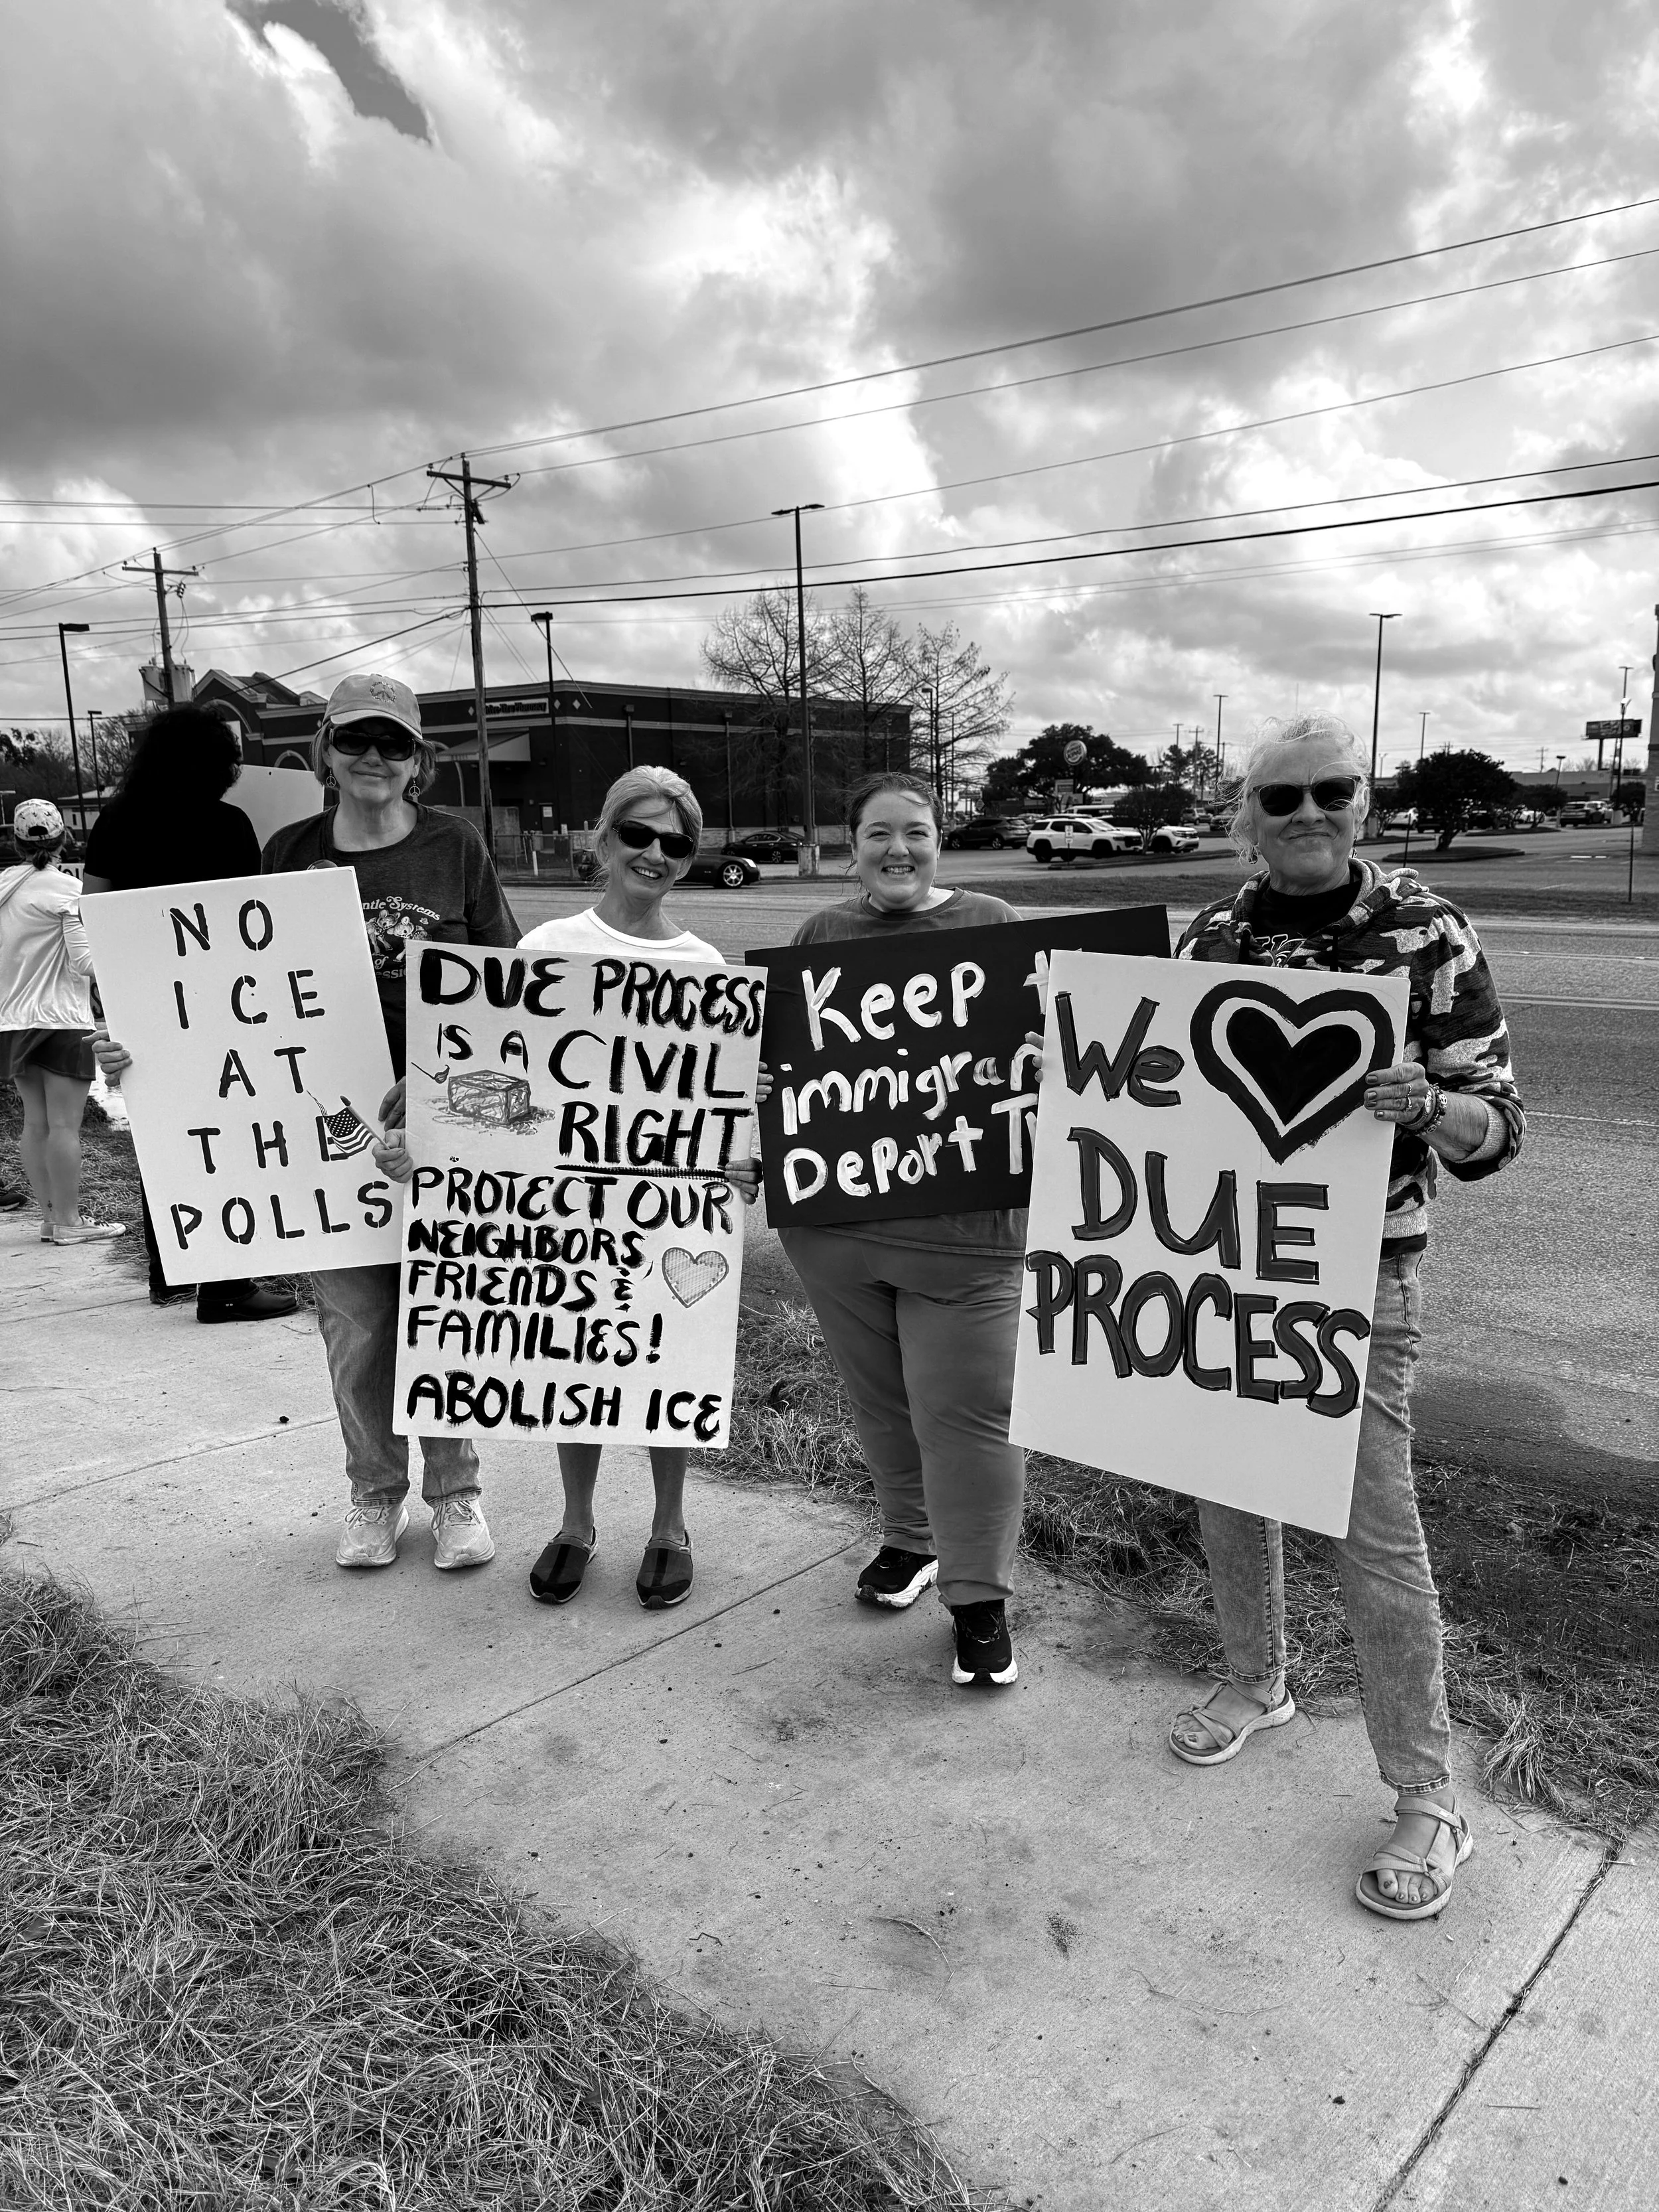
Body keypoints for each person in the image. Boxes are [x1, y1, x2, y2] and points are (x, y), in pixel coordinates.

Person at [1166, 711, 1525, 1923]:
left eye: (1332, 789)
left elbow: (1498, 1128)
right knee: (1226, 1479)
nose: (1308, 811)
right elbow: (1155, 1088)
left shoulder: (1427, 928)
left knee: (1372, 1524)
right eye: (1281, 796)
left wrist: (1427, 1107)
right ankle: (1257, 1678)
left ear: (1362, 804)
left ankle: (1428, 1795)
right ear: (1248, 815)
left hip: (1365, 1268)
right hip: (1224, 1256)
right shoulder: (1215, 933)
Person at [96, 672, 521, 1574]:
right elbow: (232, 990)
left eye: (394, 743)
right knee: (357, 1319)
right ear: (326, 750)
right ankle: (374, 1493)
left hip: (443, 1118)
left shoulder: (458, 847)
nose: (375, 757)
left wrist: (443, 1074)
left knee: (444, 1313)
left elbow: (507, 983)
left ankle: (455, 1495)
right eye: (356, 740)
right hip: (325, 1129)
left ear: (419, 762)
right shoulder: (286, 850)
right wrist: (142, 1055)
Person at [766, 771, 1029, 1690]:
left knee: (969, 1419)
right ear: (852, 844)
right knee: (883, 1404)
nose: (898, 851)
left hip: (967, 1233)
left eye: (915, 832)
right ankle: (910, 1541)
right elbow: (784, 1062)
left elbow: (1050, 1056)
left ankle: (979, 1599)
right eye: (879, 834)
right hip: (836, 1227)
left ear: (939, 839)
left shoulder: (995, 925)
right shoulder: (821, 935)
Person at [512, 765, 728, 1613]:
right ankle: (576, 1523)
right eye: (635, 834)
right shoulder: (546, 949)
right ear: (600, 841)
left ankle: (669, 1527)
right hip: (565, 1198)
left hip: (668, 1204)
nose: (654, 852)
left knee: (664, 1364)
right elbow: (508, 1076)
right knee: (575, 1361)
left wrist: (733, 1158)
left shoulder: (703, 962)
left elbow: (714, 1102)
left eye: (675, 842)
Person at [83, 703, 297, 1321]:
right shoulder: (228, 823)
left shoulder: (116, 819)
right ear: (217, 763)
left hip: (143, 998)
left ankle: (169, 1271)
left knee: (164, 1133)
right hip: (217, 1004)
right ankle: (226, 1286)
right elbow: (249, 920)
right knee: (224, 1137)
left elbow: (95, 910)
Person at [0, 799, 125, 1246]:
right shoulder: (68, 891)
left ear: (14, 841)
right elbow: (85, 961)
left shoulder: (5, 887)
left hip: (12, 1020)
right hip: (61, 1020)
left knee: (34, 1123)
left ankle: (51, 1218)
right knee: (64, 1126)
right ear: (65, 840)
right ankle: (70, 1222)